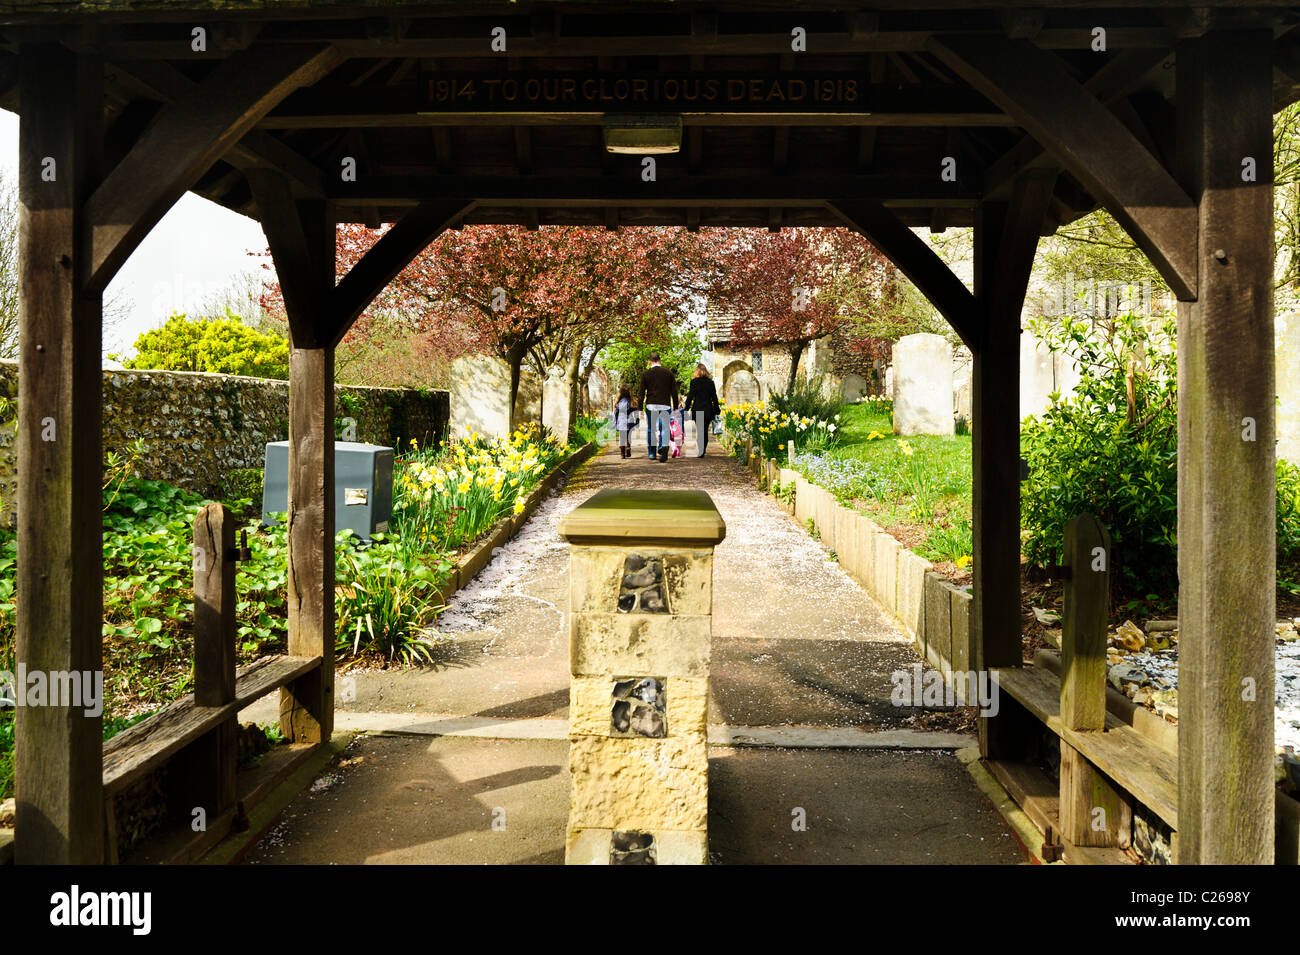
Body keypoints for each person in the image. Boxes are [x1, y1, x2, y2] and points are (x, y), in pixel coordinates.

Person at [637, 352, 679, 463]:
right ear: (660, 361)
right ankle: (663, 446)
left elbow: (641, 393)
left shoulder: (646, 374)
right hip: (665, 405)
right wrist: (675, 406)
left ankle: (651, 453)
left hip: (651, 405)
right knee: (664, 428)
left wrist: (640, 408)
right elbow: (674, 391)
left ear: (650, 362)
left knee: (651, 429)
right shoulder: (668, 373)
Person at [682, 363, 722, 458]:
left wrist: (686, 409)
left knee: (700, 431)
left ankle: (701, 450)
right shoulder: (710, 382)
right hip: (708, 409)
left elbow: (690, 396)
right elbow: (714, 397)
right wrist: (717, 409)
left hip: (698, 409)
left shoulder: (694, 382)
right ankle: (703, 449)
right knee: (705, 431)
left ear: (696, 372)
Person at [612, 385, 636, 459]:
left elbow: (615, 414)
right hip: (629, 421)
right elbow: (636, 412)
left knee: (622, 437)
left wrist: (614, 423)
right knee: (628, 436)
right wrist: (637, 422)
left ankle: (622, 453)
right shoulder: (632, 401)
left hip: (621, 421)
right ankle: (628, 447)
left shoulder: (618, 403)